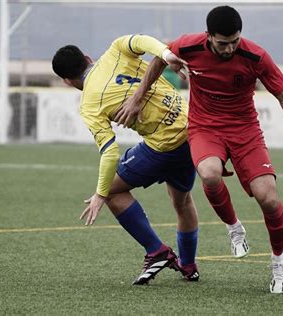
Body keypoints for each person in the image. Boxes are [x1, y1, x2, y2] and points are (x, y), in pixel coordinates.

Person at [117, 6, 283, 294]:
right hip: (204, 127)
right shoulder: (188, 45)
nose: (230, 48)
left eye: (235, 41)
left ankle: (279, 260)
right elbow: (159, 60)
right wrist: (138, 98)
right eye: (223, 43)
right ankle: (234, 227)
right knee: (209, 174)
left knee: (269, 199)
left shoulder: (256, 56)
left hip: (245, 130)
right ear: (208, 36)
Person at [51, 34, 200, 285]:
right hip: (192, 131)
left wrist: (100, 194)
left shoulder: (89, 105)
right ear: (87, 58)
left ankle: (157, 251)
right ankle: (189, 265)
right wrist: (166, 55)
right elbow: (144, 41)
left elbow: (110, 151)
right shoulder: (116, 49)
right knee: (182, 201)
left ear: (67, 82)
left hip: (163, 146)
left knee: (112, 191)